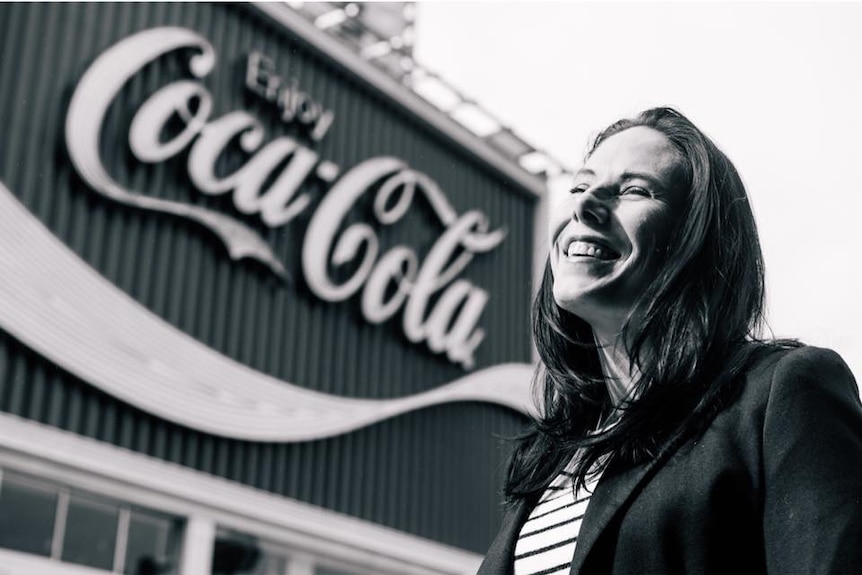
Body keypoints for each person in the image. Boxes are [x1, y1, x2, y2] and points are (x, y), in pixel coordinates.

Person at [478, 107, 862, 574]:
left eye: (635, 190)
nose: (584, 204)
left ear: (696, 238)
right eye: (579, 186)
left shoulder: (781, 393)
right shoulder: (550, 454)